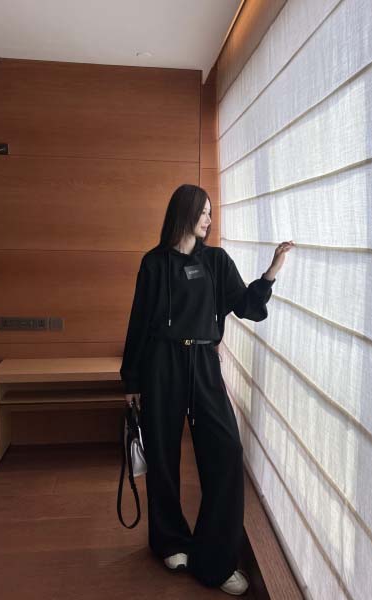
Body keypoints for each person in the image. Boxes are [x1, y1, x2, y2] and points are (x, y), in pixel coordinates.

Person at [120, 183, 294, 595]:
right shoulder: (153, 263)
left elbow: (247, 307)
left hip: (203, 363)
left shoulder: (216, 261)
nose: (208, 220)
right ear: (184, 212)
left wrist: (270, 273)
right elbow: (138, 323)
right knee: (162, 456)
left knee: (226, 454)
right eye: (203, 212)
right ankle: (170, 542)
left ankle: (215, 559)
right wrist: (131, 380)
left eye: (210, 213)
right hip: (160, 364)